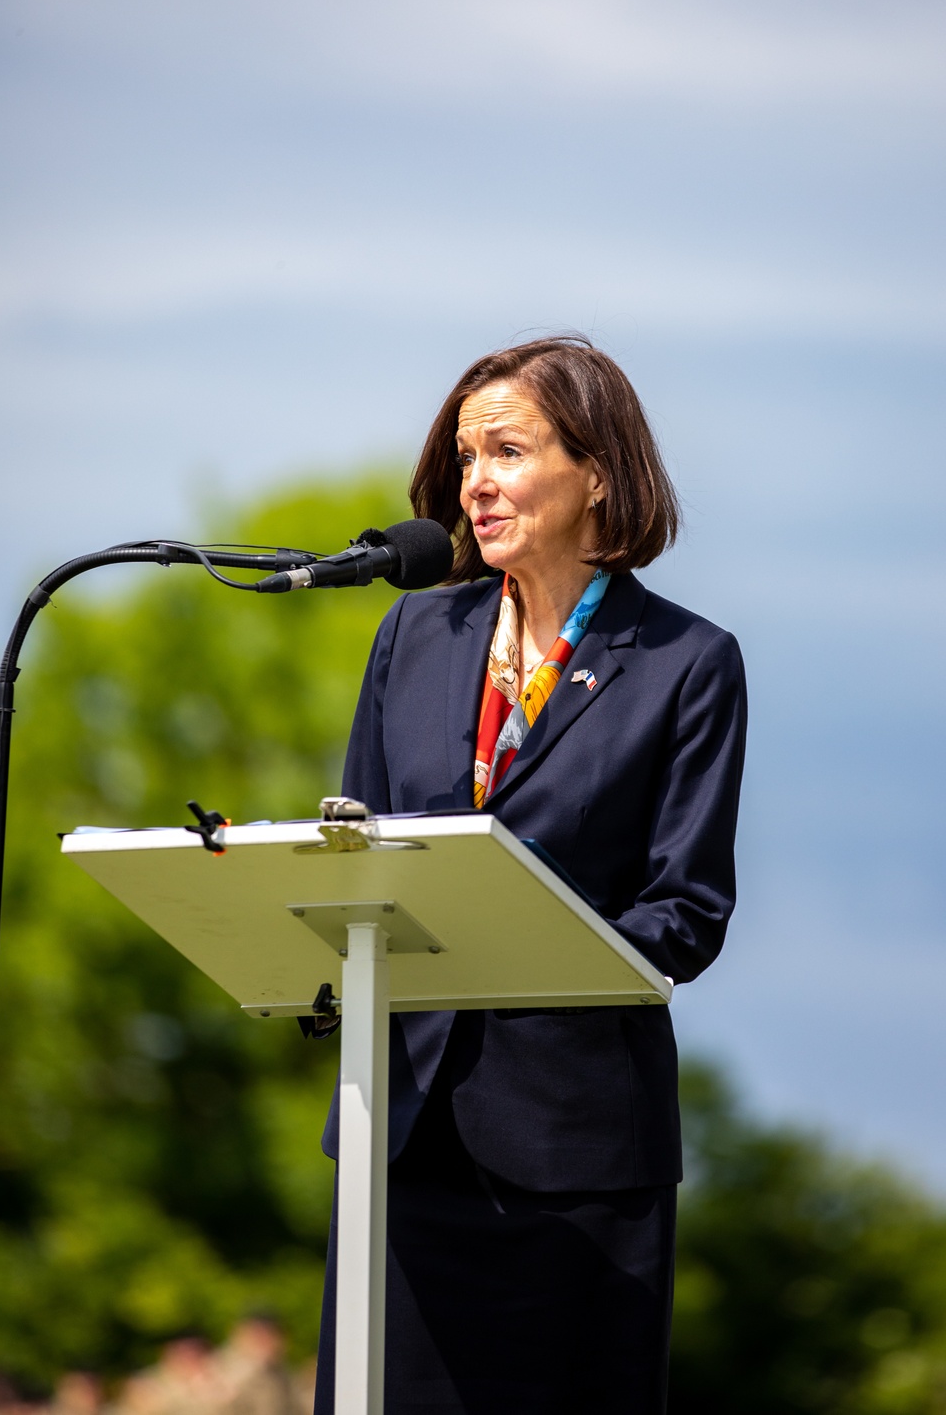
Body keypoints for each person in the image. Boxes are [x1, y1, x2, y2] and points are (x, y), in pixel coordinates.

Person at [312, 335, 747, 1414]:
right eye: (465, 457)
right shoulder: (413, 630)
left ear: (596, 471)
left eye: (505, 450)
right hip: (403, 1137)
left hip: (577, 1159)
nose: (475, 482)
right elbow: (356, 854)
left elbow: (684, 914)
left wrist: (523, 930)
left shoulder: (687, 663)